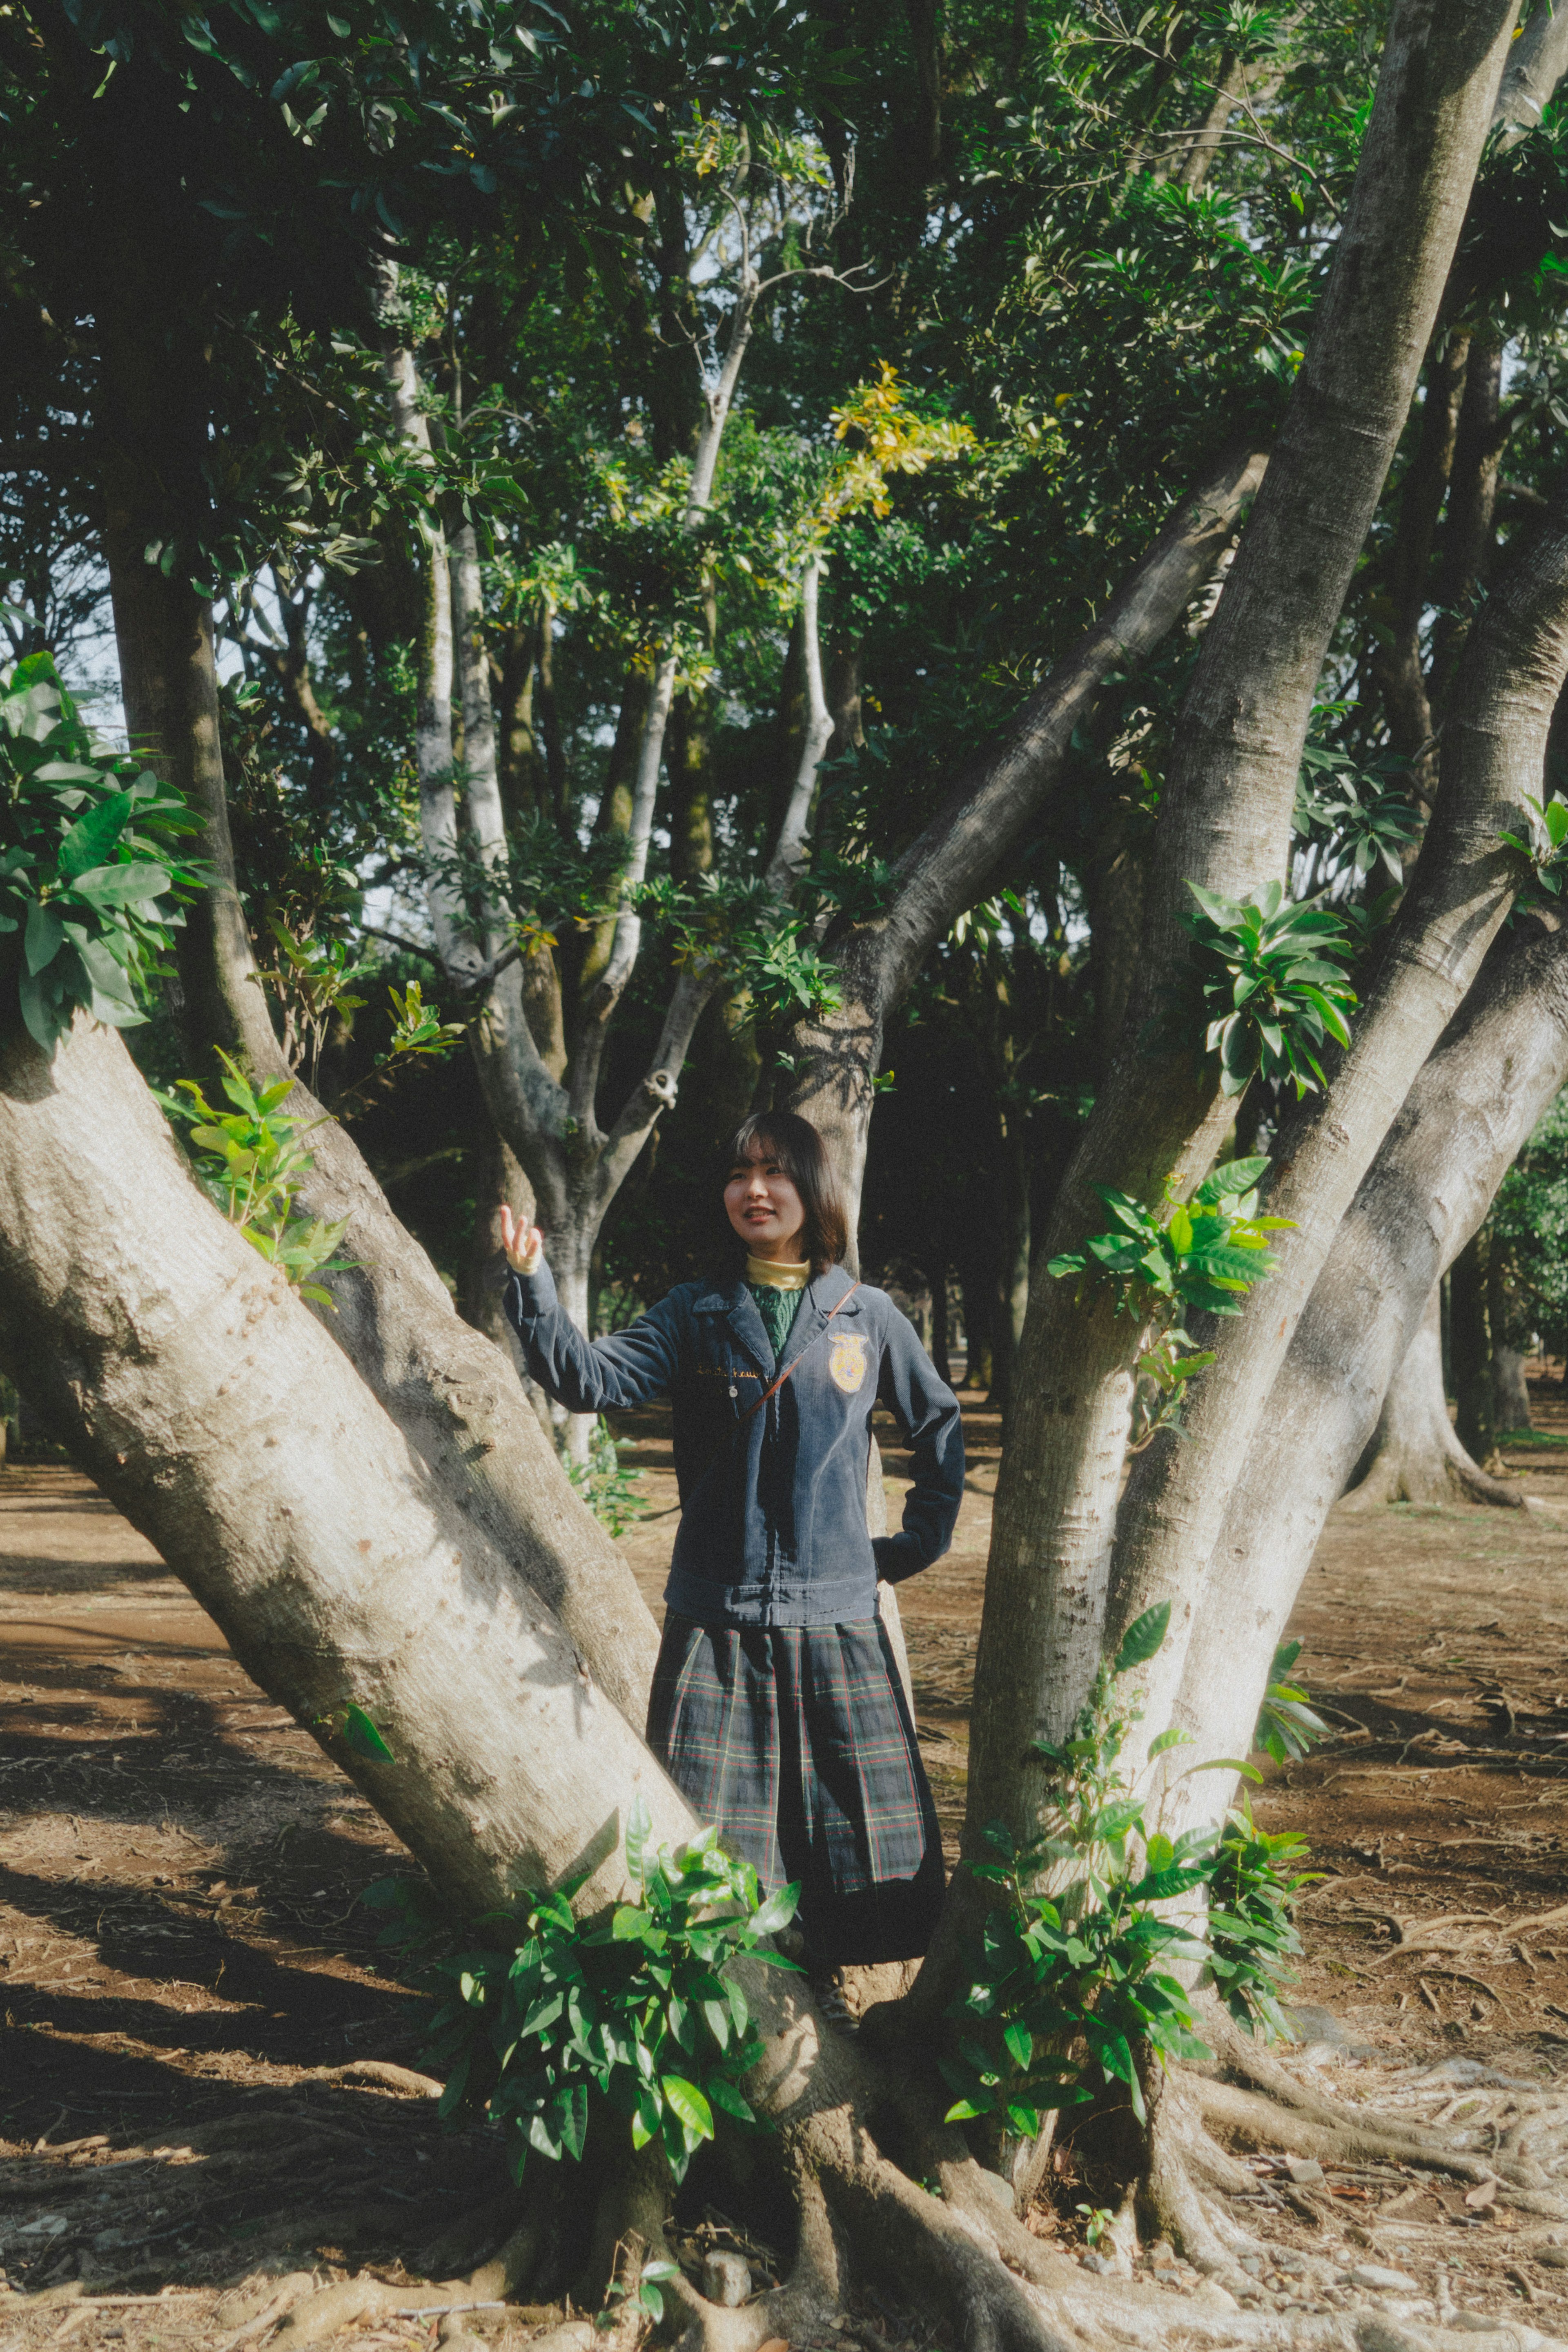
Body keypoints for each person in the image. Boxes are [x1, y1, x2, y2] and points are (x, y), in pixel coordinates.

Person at [499, 1110, 964, 2018]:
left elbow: (938, 1426)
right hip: (719, 1618)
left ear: (812, 1189)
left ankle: (824, 2000)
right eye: (739, 1173)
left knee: (846, 1828)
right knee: (715, 1835)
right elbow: (586, 1379)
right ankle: (732, 2008)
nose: (755, 1190)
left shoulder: (865, 1317)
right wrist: (533, 1283)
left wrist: (909, 1548)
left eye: (776, 1172)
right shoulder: (695, 1312)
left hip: (837, 1616)